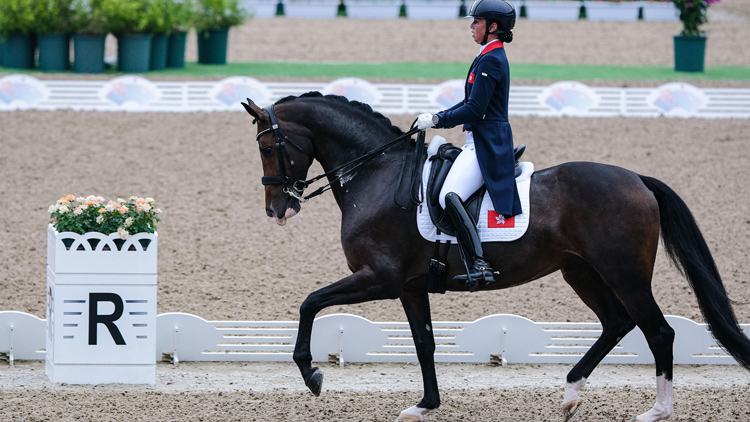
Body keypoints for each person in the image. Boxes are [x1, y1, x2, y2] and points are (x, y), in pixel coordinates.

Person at [415, 0, 521, 288]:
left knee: (449, 195)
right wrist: (440, 115)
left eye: (476, 22)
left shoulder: (491, 58)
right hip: (480, 138)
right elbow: (469, 103)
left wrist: (438, 119)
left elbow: (475, 109)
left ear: (493, 27)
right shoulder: (486, 55)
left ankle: (479, 263)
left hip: (487, 143)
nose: (471, 26)